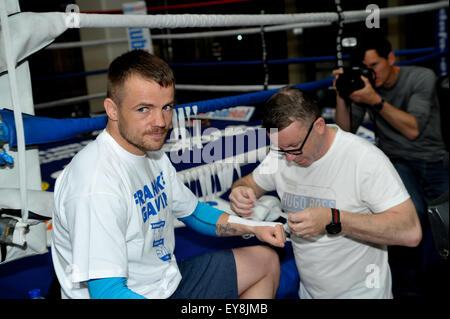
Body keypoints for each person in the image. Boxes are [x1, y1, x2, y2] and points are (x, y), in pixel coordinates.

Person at [51, 49, 286, 299]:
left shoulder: (152, 154)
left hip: (164, 284)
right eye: (144, 109)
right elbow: (107, 293)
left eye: (166, 107)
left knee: (265, 262)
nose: (161, 122)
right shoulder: (96, 184)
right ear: (112, 109)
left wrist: (255, 227)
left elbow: (194, 213)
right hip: (124, 295)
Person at [229, 87, 422, 299]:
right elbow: (249, 182)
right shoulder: (281, 154)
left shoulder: (363, 159)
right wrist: (240, 191)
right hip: (310, 292)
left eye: (294, 147)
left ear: (319, 126)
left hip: (363, 292)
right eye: (281, 149)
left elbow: (411, 231)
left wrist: (334, 219)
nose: (289, 158)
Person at [333, 33, 448, 297]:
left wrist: (375, 100)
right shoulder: (366, 89)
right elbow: (345, 133)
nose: (371, 73)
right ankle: (409, 290)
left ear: (391, 58)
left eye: (375, 66)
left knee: (445, 223)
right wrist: (342, 96)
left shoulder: (420, 78)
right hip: (397, 162)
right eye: (365, 68)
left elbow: (412, 130)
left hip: (435, 159)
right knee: (408, 217)